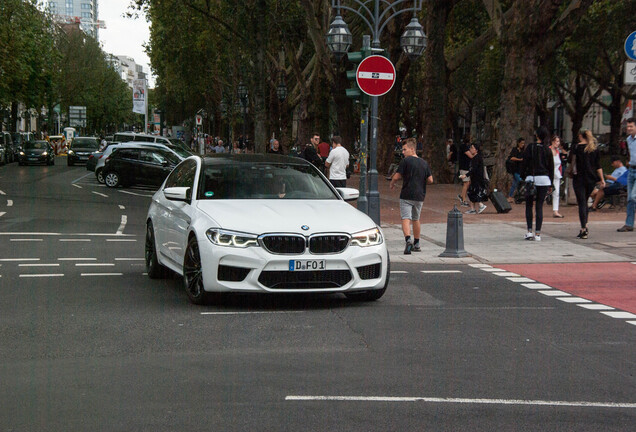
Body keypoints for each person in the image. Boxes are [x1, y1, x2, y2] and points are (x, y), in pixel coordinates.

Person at [389, 138, 433, 255]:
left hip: (406, 194)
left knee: (405, 218)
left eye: (404, 149)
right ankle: (417, 243)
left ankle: (408, 240)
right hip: (420, 195)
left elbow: (397, 176)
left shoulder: (406, 161)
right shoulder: (424, 163)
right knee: (416, 218)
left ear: (412, 149)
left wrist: (392, 183)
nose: (403, 152)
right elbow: (430, 179)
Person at [569, 129, 604, 239]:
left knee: (582, 203)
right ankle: (585, 226)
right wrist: (602, 179)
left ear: (580, 136)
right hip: (591, 178)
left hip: (579, 177)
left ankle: (583, 228)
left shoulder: (576, 147)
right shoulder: (594, 148)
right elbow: (598, 165)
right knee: (585, 200)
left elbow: (571, 161)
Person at [521, 126, 554, 242]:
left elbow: (524, 163)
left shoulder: (530, 148)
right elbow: (551, 167)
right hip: (544, 179)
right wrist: (551, 183)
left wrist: (522, 175)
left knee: (529, 205)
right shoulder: (547, 149)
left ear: (537, 135)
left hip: (532, 178)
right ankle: (538, 233)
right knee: (539, 206)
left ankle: (529, 231)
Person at [618, 117, 636, 232]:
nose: (629, 128)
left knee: (634, 196)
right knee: (630, 198)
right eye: (628, 126)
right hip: (631, 170)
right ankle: (629, 224)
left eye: (631, 126)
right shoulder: (629, 139)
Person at [459, 142, 488, 214]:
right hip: (475, 178)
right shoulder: (475, 158)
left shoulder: (477, 158)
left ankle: (480, 205)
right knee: (472, 192)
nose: (470, 149)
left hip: (477, 178)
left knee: (473, 192)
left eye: (472, 148)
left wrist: (465, 175)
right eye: (470, 148)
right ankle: (473, 208)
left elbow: (473, 169)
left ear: (476, 150)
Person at [550, 135, 565, 218]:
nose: (557, 143)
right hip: (549, 175)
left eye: (558, 142)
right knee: (544, 192)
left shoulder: (558, 152)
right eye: (556, 141)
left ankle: (556, 210)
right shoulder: (548, 150)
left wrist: (560, 173)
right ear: (552, 142)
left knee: (556, 193)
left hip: (556, 175)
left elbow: (559, 164)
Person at [506, 138, 525, 203]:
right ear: (518, 143)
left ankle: (510, 196)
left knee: (514, 183)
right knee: (520, 181)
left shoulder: (523, 151)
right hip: (515, 169)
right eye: (521, 143)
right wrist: (519, 159)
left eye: (523, 143)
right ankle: (519, 196)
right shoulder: (515, 150)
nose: (522, 145)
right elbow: (511, 157)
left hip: (520, 169)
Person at [457, 135, 473, 206]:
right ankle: (463, 200)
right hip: (464, 167)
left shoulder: (465, 147)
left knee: (468, 183)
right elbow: (470, 156)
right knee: (466, 183)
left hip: (466, 167)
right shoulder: (464, 147)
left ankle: (462, 195)